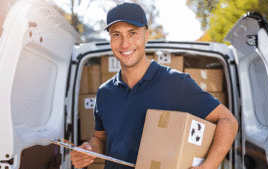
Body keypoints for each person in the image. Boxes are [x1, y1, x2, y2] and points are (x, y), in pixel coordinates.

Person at [70, 2, 238, 169]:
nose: (124, 43)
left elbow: (227, 120)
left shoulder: (176, 84)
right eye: (116, 35)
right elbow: (102, 138)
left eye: (132, 33)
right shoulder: (104, 92)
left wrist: (208, 166)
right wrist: (89, 149)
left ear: (146, 36)